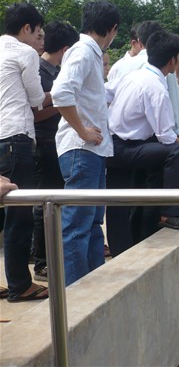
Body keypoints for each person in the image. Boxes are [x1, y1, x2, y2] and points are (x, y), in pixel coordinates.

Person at [105, 30, 179, 256]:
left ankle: (120, 249)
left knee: (117, 201)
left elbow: (106, 94)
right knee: (175, 153)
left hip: (112, 145)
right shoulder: (156, 87)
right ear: (173, 60)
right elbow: (165, 135)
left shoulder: (132, 76)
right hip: (128, 148)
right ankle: (171, 212)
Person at [50, 0, 120, 286]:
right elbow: (61, 93)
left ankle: (91, 287)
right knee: (78, 225)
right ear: (112, 29)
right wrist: (82, 131)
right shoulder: (82, 51)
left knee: (91, 224)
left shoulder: (90, 53)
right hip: (82, 150)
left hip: (93, 151)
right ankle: (76, 294)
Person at [0, 2, 49, 302]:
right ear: (27, 27)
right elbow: (36, 98)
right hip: (16, 139)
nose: (38, 38)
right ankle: (20, 286)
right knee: (19, 217)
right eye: (37, 31)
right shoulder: (25, 53)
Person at [31, 21, 79, 282]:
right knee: (44, 206)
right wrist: (63, 104)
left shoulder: (55, 72)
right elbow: (34, 114)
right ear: (66, 49)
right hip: (43, 143)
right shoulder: (37, 71)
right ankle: (42, 263)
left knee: (56, 204)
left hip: (56, 144)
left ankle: (53, 257)